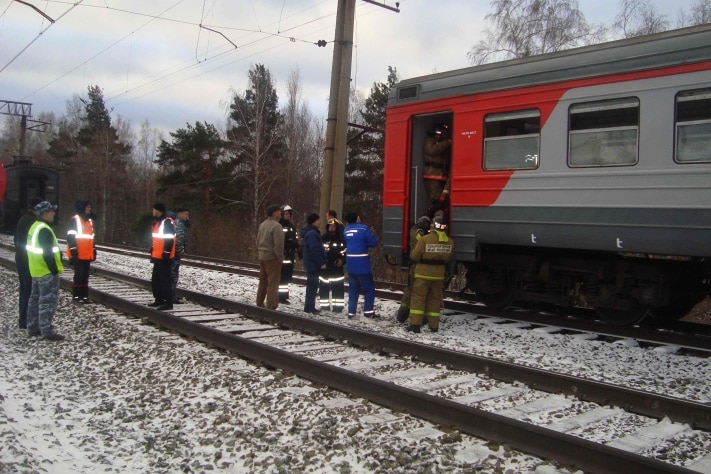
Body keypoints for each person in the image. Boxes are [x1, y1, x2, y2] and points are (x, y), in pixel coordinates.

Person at [408, 215, 455, 333]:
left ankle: (415, 326)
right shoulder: (450, 242)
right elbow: (448, 258)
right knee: (435, 300)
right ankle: (434, 327)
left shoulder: (424, 239)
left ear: (433, 225)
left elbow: (415, 256)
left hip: (423, 273)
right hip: (439, 275)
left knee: (418, 298)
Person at [26, 201, 65, 341]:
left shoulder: (34, 227)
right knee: (47, 302)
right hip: (46, 272)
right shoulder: (44, 229)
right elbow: (48, 253)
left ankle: (32, 327)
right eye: (52, 211)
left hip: (35, 270)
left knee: (34, 300)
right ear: (45, 213)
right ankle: (47, 330)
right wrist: (54, 270)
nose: (54, 213)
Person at [343, 211, 378, 319]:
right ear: (357, 218)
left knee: (353, 289)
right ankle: (368, 312)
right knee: (369, 288)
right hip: (362, 264)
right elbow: (373, 242)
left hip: (350, 264)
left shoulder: (346, 230)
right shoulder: (363, 229)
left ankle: (351, 313)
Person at [14, 196, 42, 329]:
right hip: (28, 260)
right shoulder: (32, 221)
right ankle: (26, 321)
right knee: (29, 291)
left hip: (20, 257)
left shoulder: (23, 218)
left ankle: (23, 319)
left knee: (24, 289)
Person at [396, 215, 431, 322]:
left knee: (410, 289)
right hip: (417, 265)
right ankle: (414, 316)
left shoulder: (414, 230)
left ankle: (402, 315)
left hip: (415, 265)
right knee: (417, 291)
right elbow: (423, 242)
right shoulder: (418, 233)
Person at [66, 200, 96, 304]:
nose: (90, 208)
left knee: (85, 276)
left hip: (86, 253)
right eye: (88, 207)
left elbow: (91, 238)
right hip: (78, 253)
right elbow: (70, 236)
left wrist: (93, 250)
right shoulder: (75, 220)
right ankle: (76, 296)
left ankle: (84, 296)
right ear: (83, 208)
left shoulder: (89, 221)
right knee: (79, 276)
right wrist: (74, 251)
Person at [148, 202, 176, 311]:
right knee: (156, 280)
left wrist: (166, 252)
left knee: (165, 280)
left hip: (164, 256)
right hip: (157, 255)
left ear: (158, 210)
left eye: (153, 209)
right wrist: (152, 247)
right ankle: (159, 299)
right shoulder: (158, 222)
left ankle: (168, 302)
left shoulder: (166, 222)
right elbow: (157, 238)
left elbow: (169, 238)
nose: (152, 211)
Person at [256, 204, 285, 310]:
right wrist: (279, 257)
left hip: (262, 255)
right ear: (274, 213)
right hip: (272, 258)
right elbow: (279, 244)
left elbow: (258, 240)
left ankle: (259, 302)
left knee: (263, 281)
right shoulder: (276, 226)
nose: (280, 213)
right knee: (273, 282)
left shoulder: (263, 224)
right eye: (279, 211)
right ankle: (271, 305)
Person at [300, 213, 327, 314]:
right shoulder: (312, 234)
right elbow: (314, 249)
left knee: (312, 285)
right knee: (312, 286)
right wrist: (321, 262)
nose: (320, 221)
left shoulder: (311, 233)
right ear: (313, 222)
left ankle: (309, 306)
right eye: (318, 220)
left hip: (310, 263)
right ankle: (309, 307)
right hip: (313, 264)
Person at [423, 123, 452, 211]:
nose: (440, 135)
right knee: (436, 200)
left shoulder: (443, 145)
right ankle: (433, 218)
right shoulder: (430, 141)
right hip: (432, 174)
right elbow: (432, 150)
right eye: (439, 133)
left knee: (443, 199)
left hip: (443, 174)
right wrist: (448, 142)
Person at [319, 218, 346, 313]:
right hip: (325, 268)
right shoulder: (323, 238)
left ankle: (337, 307)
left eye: (334, 226)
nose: (331, 228)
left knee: (338, 288)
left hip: (337, 268)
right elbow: (319, 252)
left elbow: (345, 252)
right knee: (324, 287)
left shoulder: (341, 240)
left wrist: (342, 261)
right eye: (330, 226)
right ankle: (324, 306)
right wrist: (322, 262)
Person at [278, 204, 299, 304]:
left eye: (289, 214)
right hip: (283, 256)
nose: (288, 215)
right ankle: (280, 297)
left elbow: (295, 239)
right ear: (282, 214)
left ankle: (284, 295)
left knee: (287, 277)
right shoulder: (279, 225)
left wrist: (297, 247)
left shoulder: (292, 227)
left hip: (290, 256)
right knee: (281, 277)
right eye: (286, 213)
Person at [171, 207, 191, 304]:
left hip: (174, 254)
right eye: (186, 214)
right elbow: (178, 240)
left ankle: (171, 295)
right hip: (174, 254)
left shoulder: (181, 224)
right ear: (180, 214)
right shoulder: (178, 224)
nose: (187, 217)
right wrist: (180, 253)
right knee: (173, 275)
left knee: (173, 275)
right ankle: (171, 296)